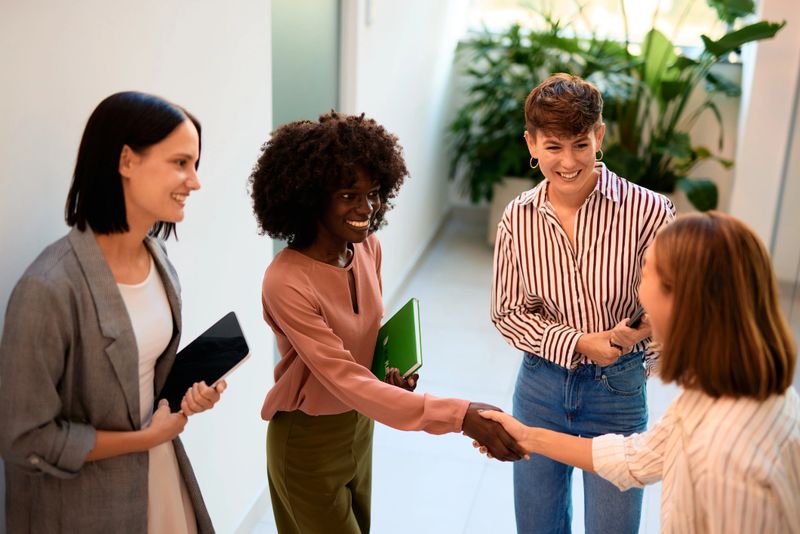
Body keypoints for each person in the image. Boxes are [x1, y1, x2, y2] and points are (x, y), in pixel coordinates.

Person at [249, 111, 524, 534]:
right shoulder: (286, 281)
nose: (366, 208)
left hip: (361, 424)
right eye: (347, 195)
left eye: (373, 192)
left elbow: (364, 346)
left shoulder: (366, 248)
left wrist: (385, 371)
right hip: (307, 443)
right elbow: (342, 377)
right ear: (310, 197)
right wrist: (460, 416)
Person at [480, 211, 800, 534]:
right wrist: (527, 436)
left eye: (644, 273)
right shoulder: (740, 392)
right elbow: (637, 458)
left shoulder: (727, 460)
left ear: (682, 301)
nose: (638, 299)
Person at [0, 91, 226, 533]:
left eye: (195, 165)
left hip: (159, 476)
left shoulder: (157, 259)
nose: (194, 181)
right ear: (126, 161)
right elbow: (23, 438)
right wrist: (146, 438)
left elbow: (136, 377)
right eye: (181, 163)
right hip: (87, 508)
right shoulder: (47, 289)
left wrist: (184, 397)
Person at [490, 73, 675, 533]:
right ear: (531, 145)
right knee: (538, 526)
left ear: (599, 136)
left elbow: (674, 297)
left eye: (580, 145)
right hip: (539, 388)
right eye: (553, 147)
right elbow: (508, 313)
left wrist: (639, 331)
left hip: (618, 393)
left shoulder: (651, 211)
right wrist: (577, 343)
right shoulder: (517, 218)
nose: (569, 162)